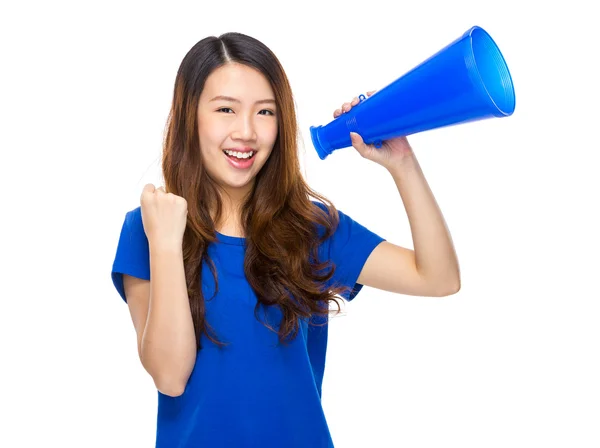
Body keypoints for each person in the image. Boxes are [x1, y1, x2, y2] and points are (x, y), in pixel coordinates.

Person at [111, 31, 460, 448]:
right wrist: (166, 245)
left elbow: (439, 278)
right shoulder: (148, 228)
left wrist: (402, 163)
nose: (246, 132)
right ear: (191, 115)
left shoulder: (310, 228)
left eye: (265, 112)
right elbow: (169, 376)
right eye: (225, 109)